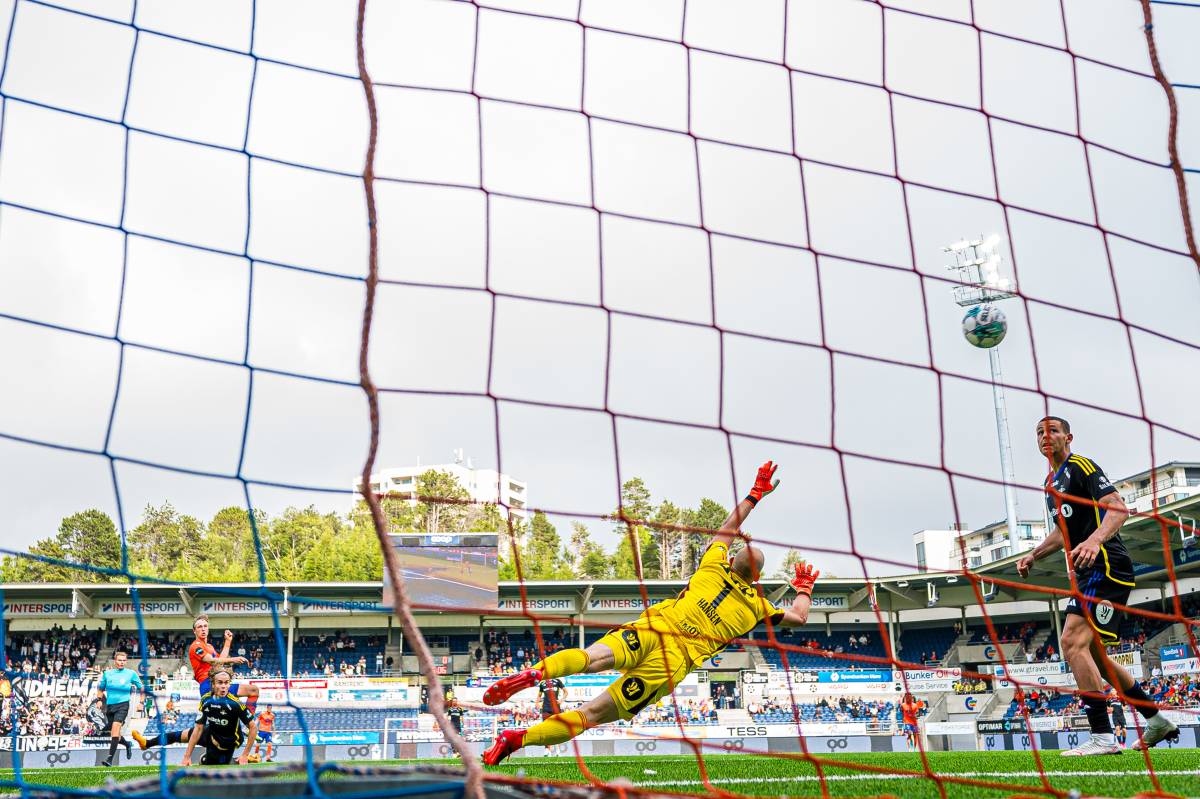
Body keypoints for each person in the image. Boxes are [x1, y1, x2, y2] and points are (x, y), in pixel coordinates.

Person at [480, 461, 819, 765]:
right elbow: (799, 617)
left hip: (655, 628)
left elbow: (727, 528)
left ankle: (537, 674)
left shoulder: (712, 566)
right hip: (672, 661)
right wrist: (803, 588)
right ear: (756, 578)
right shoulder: (757, 607)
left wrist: (754, 494)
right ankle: (514, 740)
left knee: (590, 657)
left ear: (731, 560)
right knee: (589, 714)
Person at [1017, 417, 1177, 755]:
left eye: (1053, 431)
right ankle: (1156, 719)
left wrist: (1093, 540)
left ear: (1068, 437)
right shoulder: (1051, 482)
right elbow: (1063, 532)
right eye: (1040, 433)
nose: (1046, 437)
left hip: (1106, 565)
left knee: (1071, 642)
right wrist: (1034, 554)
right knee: (1094, 656)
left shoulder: (1082, 466)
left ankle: (1103, 737)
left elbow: (1118, 510)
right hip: (1089, 573)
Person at [180, 670, 259, 766]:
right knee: (209, 762)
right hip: (213, 734)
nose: (223, 686)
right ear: (212, 684)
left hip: (230, 739)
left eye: (226, 683)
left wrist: (245, 755)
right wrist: (186, 756)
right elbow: (198, 728)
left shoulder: (235, 703)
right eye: (220, 682)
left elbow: (253, 727)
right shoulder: (206, 698)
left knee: (223, 766)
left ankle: (242, 757)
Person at [96, 651, 142, 767]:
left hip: (123, 705)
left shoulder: (131, 674)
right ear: (115, 661)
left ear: (126, 661)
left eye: (124, 660)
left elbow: (142, 688)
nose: (121, 662)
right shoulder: (107, 674)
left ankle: (110, 759)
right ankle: (127, 744)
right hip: (110, 706)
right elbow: (101, 689)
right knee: (115, 734)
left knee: (115, 729)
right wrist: (99, 700)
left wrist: (141, 702)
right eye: (119, 660)